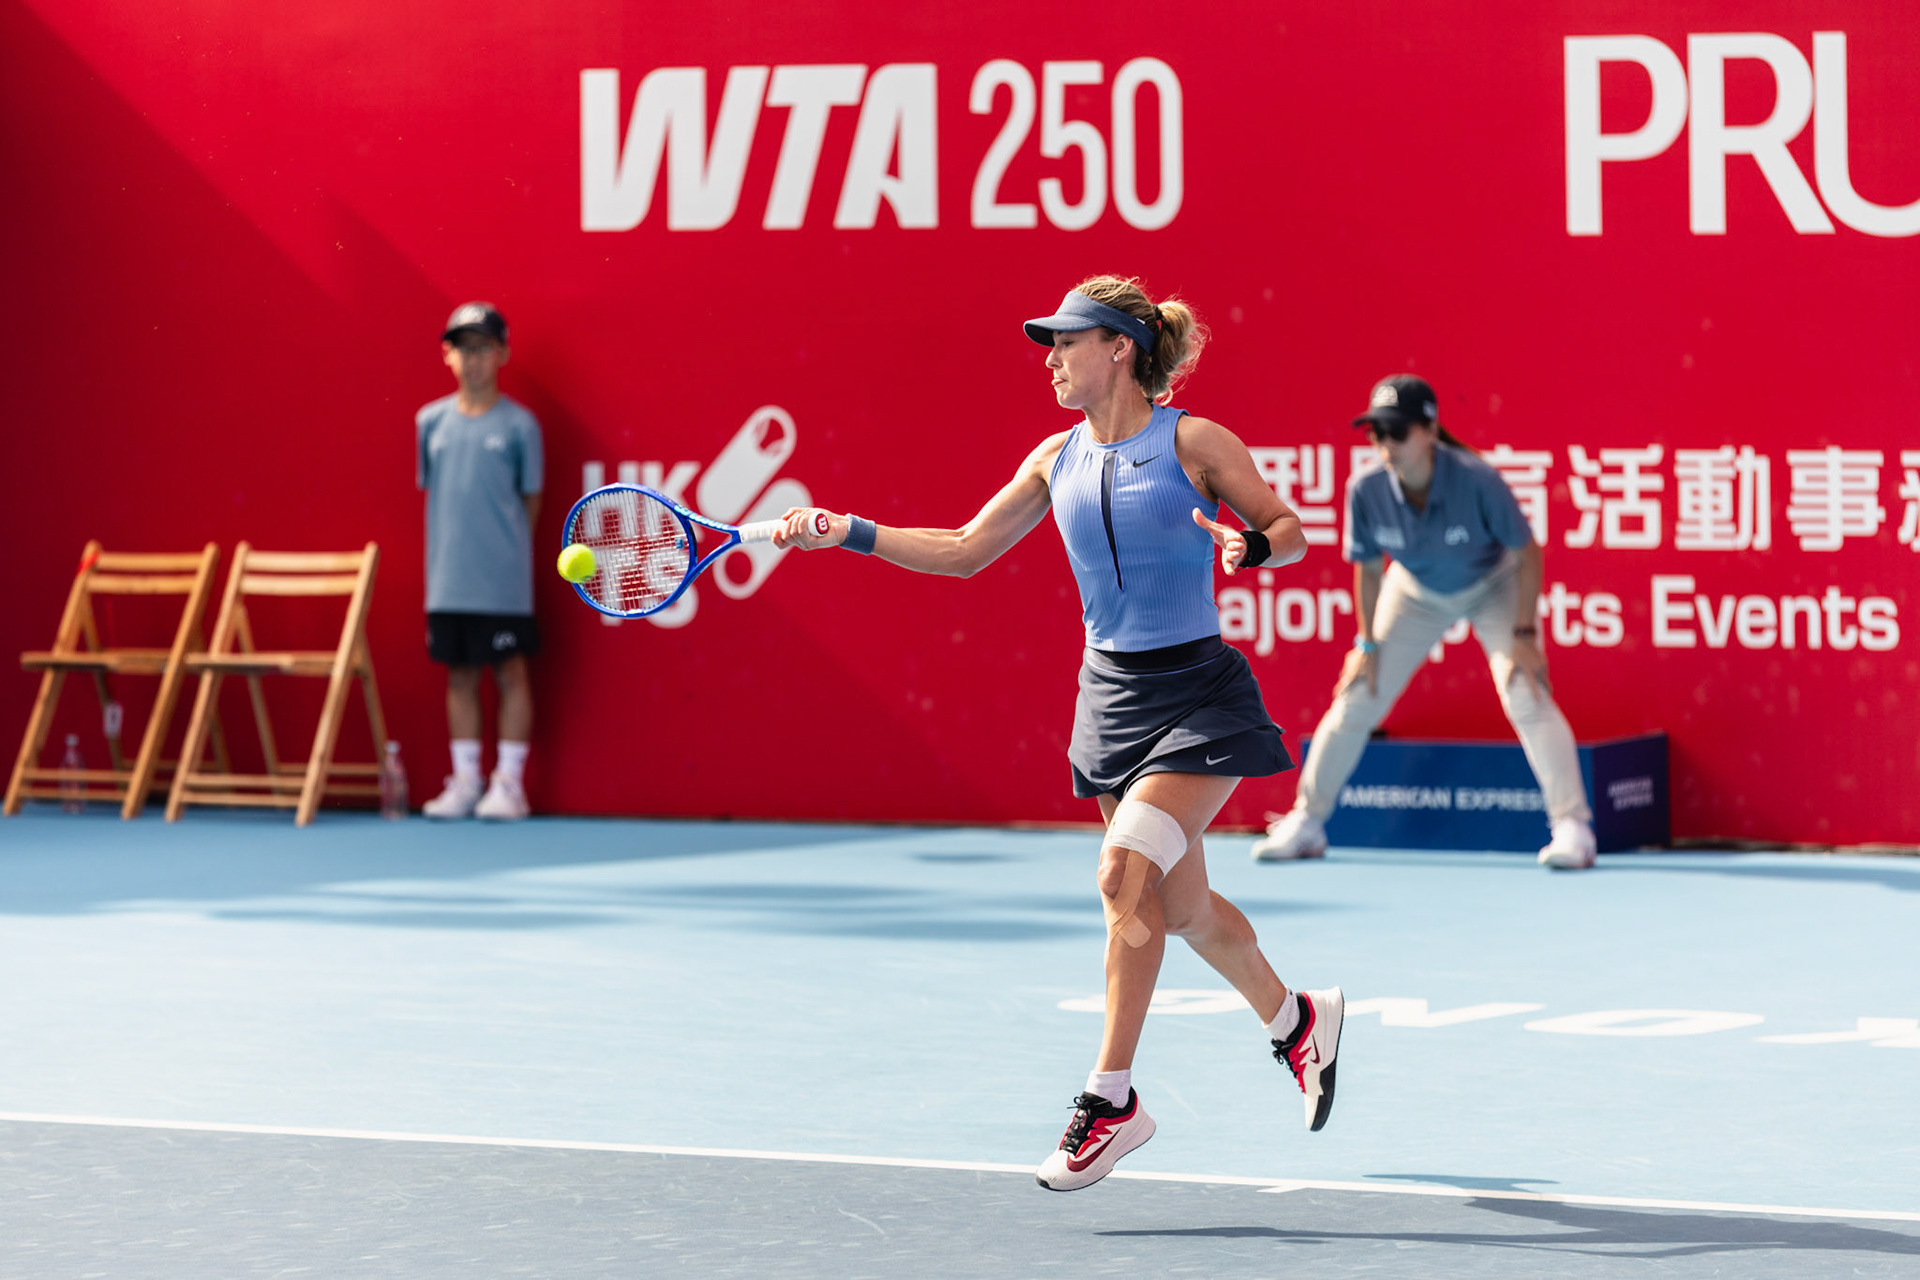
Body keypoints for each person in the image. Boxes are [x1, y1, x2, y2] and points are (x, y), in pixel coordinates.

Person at [773, 276, 1345, 1192]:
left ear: (1119, 348)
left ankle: (1110, 1100)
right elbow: (964, 550)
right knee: (1180, 910)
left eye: (1066, 342)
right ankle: (1297, 1022)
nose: (1051, 360)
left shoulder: (1194, 442)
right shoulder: (1054, 459)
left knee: (1123, 874)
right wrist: (848, 531)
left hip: (1197, 693)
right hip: (1110, 699)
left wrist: (1255, 546)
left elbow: (1290, 526)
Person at [1250, 374, 1597, 869]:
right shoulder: (1365, 489)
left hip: (1492, 584)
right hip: (1413, 591)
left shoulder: (1477, 479)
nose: (1385, 443)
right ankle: (1307, 821)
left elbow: (1527, 554)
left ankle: (1573, 827)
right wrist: (1366, 644)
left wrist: (1524, 634)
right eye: (1376, 432)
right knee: (1357, 695)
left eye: (1397, 431)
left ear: (1430, 431)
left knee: (1525, 691)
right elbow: (1370, 569)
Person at [416, 302, 544, 821]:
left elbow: (530, 500)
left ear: (502, 354)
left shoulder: (520, 426)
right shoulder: (429, 422)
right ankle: (467, 782)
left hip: (503, 583)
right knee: (460, 676)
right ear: (448, 355)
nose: (473, 360)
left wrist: (504, 554)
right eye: (463, 349)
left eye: (483, 348)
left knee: (511, 673)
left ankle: (509, 785)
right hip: (448, 580)